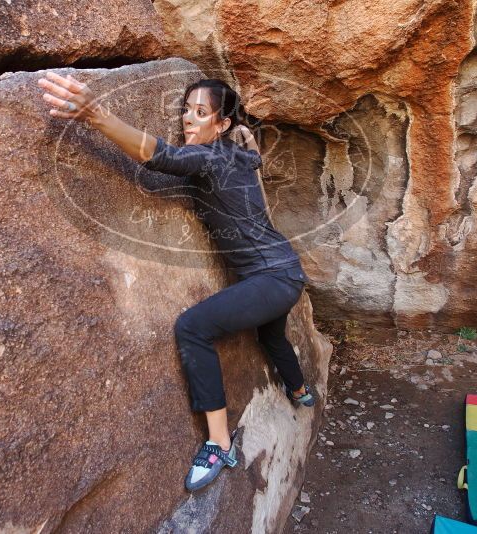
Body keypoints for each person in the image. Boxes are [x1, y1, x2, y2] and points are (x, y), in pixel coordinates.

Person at [37, 72, 316, 492]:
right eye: (185, 110)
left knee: (192, 328)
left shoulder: (212, 157)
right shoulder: (237, 153)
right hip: (284, 272)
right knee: (272, 337)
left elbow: (158, 156)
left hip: (273, 277)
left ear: (220, 125)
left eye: (200, 113)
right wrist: (241, 132)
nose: (188, 119)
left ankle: (220, 444)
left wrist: (95, 114)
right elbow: (245, 149)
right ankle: (300, 391)